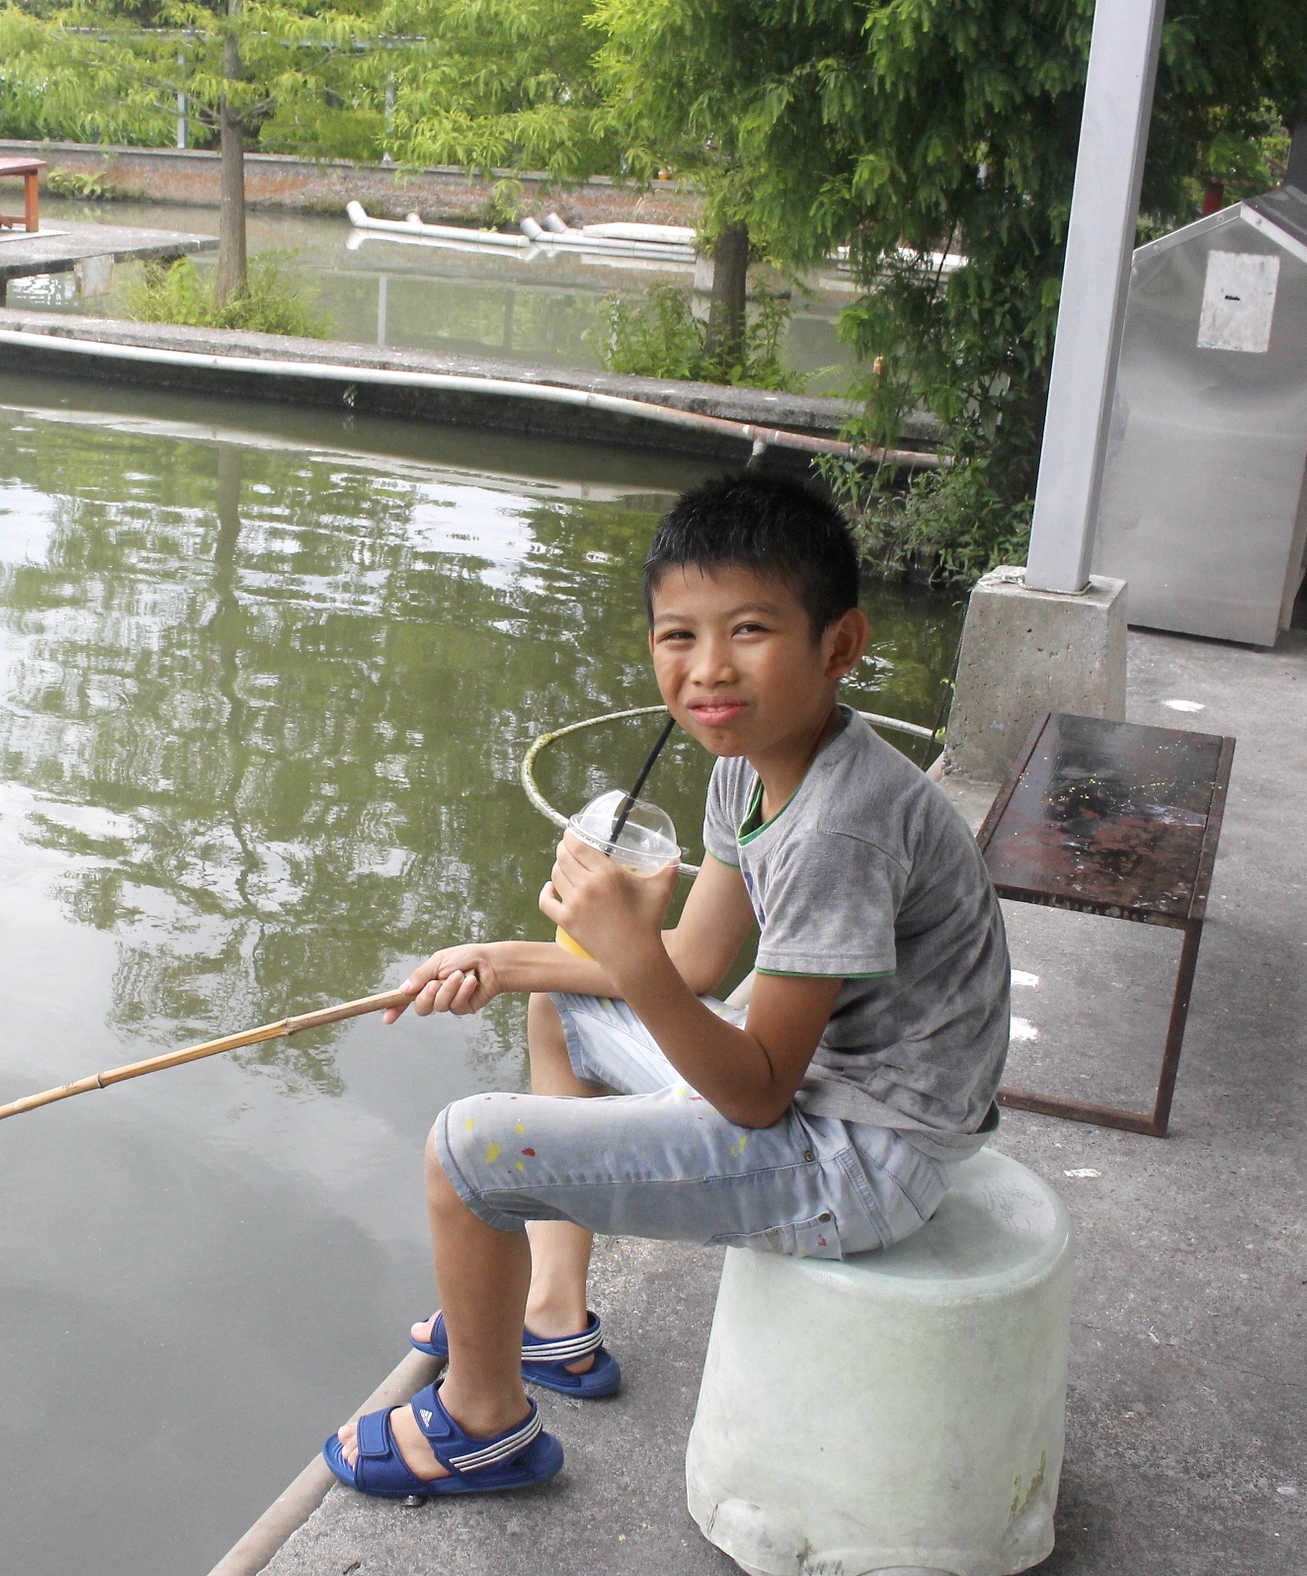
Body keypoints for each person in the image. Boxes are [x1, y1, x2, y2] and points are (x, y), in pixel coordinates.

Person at [328, 470, 1010, 1498]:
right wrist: (501, 963)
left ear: (839, 645)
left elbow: (753, 1089)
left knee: (465, 1155)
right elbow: (697, 963)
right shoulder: (752, 762)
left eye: (748, 630)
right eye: (676, 636)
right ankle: (551, 1317)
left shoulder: (842, 827)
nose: (707, 671)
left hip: (865, 1155)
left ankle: (483, 1421)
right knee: (563, 1002)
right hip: (820, 1095)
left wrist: (626, 952)